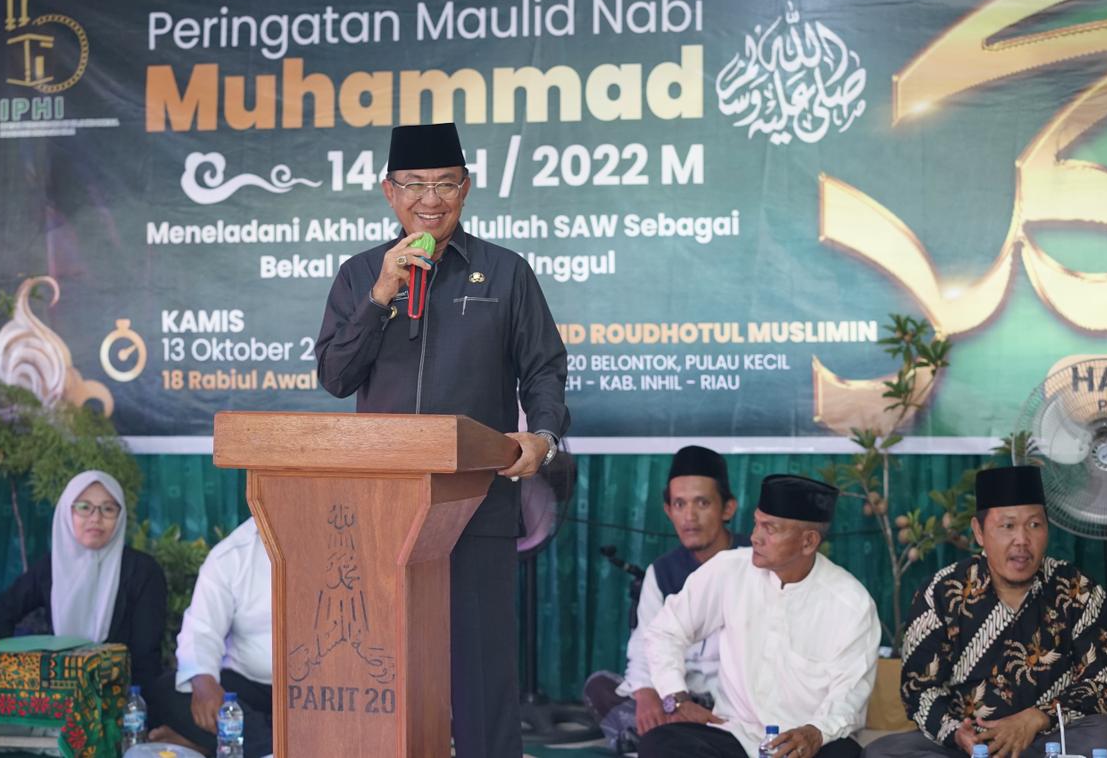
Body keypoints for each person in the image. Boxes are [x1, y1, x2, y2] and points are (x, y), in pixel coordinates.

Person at [315, 121, 569, 758]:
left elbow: (543, 367)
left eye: (445, 185)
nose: (430, 200)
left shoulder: (505, 272)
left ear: (467, 188)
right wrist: (381, 295)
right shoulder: (359, 275)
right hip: (383, 510)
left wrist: (542, 437)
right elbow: (336, 378)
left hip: (476, 502)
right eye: (415, 185)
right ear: (389, 191)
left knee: (481, 676)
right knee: (385, 666)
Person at [863, 465, 1107, 758]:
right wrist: (956, 733)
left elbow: (1102, 682)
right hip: (968, 746)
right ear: (979, 532)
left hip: (1050, 739)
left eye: (1034, 525)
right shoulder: (942, 592)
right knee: (881, 753)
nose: (1022, 540)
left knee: (1104, 734)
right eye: (1007, 526)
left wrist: (1036, 718)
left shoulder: (1077, 590)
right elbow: (918, 689)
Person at [641, 474, 880, 758]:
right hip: (735, 734)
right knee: (660, 744)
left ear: (808, 542)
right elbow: (665, 631)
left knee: (846, 755)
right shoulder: (729, 570)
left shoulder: (851, 604)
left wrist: (815, 732)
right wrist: (676, 697)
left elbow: (849, 696)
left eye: (770, 528)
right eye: (756, 523)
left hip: (805, 742)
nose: (755, 536)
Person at [584, 446, 749, 752]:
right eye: (679, 504)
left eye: (702, 503)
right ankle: (671, 736)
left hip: (737, 701)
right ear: (668, 510)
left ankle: (658, 741)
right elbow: (644, 645)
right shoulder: (662, 572)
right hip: (677, 696)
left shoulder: (752, 562)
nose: (690, 517)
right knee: (600, 686)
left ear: (727, 509)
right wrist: (647, 693)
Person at [0, 470, 167, 687]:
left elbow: (146, 656)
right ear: (67, 512)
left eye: (108, 509)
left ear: (120, 517)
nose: (96, 518)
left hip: (120, 693)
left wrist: (133, 703)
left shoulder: (143, 571)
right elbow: (2, 614)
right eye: (84, 507)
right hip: (57, 688)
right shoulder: (52, 567)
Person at [147, 518, 274, 758]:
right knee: (171, 689)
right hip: (249, 688)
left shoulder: (338, 539)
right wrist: (203, 680)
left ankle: (209, 746)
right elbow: (201, 630)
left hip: (325, 693)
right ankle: (275, 747)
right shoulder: (232, 554)